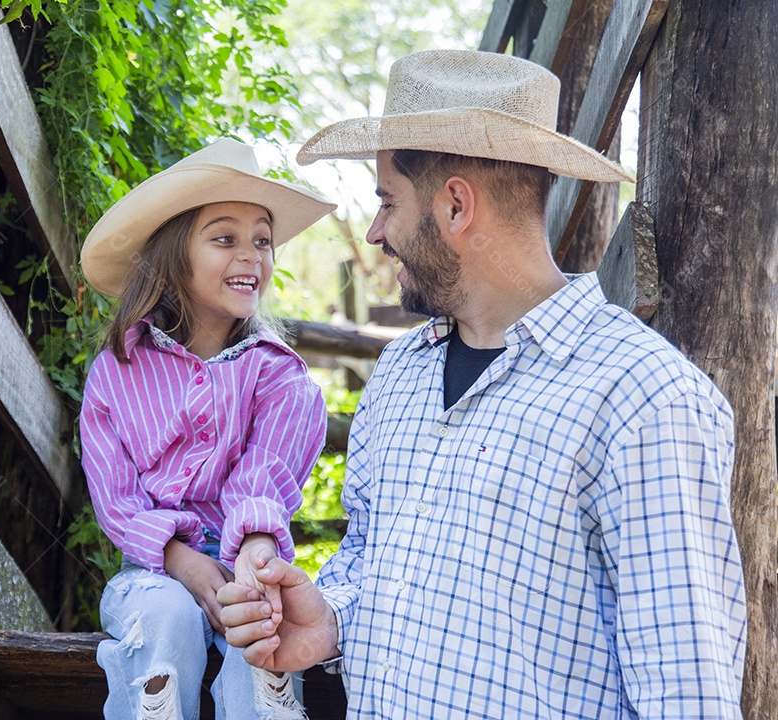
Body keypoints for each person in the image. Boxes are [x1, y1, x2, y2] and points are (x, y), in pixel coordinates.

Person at [218, 49, 747, 718]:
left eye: (387, 202)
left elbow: (687, 697)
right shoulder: (400, 374)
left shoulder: (645, 399)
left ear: (456, 206)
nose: (376, 231)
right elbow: (368, 559)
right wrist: (328, 620)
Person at [78, 137, 335, 720]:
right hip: (156, 569)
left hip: (251, 553)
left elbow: (262, 484)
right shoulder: (115, 375)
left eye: (262, 241)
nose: (252, 255)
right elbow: (116, 500)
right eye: (225, 238)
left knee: (261, 629)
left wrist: (255, 563)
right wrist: (186, 563)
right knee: (164, 620)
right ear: (175, 255)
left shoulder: (278, 377)